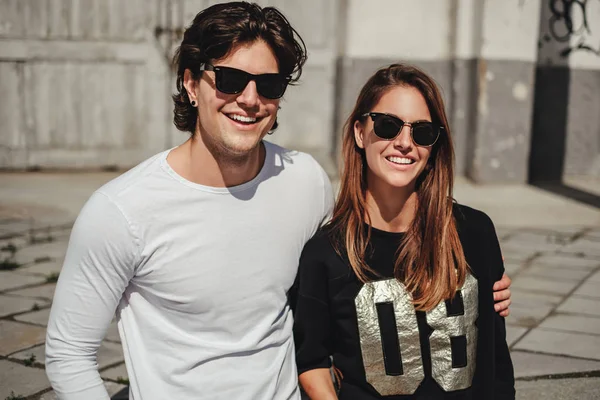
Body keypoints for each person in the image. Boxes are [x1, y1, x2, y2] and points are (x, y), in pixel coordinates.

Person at [44, 2, 512, 399]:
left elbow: (351, 272)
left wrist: (472, 286)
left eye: (267, 85)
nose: (249, 99)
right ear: (191, 83)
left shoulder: (303, 180)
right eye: (229, 79)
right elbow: (68, 354)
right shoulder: (120, 210)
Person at [293, 64, 515, 399]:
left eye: (422, 132)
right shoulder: (327, 253)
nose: (404, 143)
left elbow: (495, 361)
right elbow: (311, 362)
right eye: (388, 126)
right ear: (359, 132)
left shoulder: (474, 233)